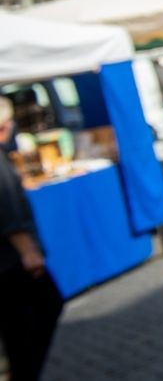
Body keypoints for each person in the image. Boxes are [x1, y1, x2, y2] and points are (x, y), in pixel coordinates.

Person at [0, 97, 63, 380]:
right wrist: (28, 251)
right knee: (39, 309)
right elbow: (8, 209)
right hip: (10, 259)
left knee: (18, 324)